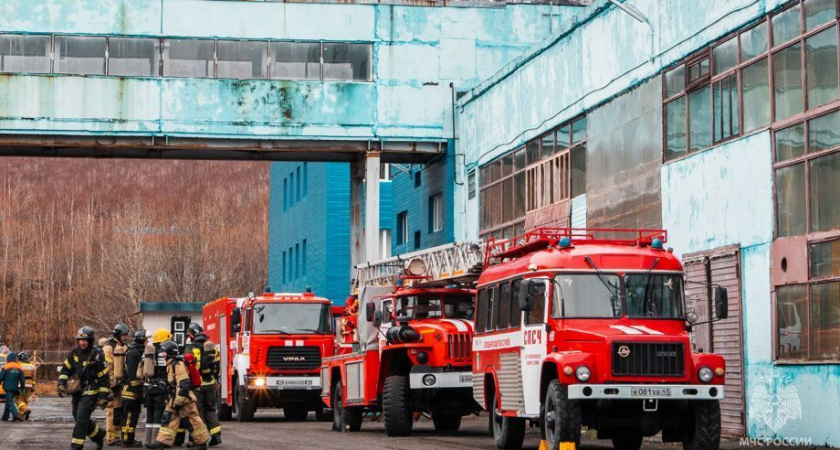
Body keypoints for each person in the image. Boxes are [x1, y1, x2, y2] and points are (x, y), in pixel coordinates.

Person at [150, 340, 209, 450]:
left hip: (184, 399)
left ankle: (202, 444)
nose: (162, 354)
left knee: (192, 421)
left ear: (169, 352)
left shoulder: (178, 365)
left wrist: (179, 401)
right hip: (174, 398)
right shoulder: (170, 364)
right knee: (168, 419)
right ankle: (163, 442)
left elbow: (184, 384)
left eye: (164, 352)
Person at [58, 326, 109, 450]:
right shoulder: (75, 353)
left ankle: (76, 446)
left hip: (91, 393)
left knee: (81, 418)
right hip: (78, 392)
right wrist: (61, 384)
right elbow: (66, 370)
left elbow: (104, 378)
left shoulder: (97, 355)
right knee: (78, 417)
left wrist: (103, 397)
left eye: (85, 340)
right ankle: (98, 435)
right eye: (80, 340)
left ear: (91, 340)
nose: (82, 342)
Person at [185, 325, 222, 447]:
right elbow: (217, 366)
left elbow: (189, 368)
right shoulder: (212, 348)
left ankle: (197, 440)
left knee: (197, 413)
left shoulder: (192, 348)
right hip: (211, 384)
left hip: (198, 385)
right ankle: (216, 436)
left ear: (191, 335)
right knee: (211, 409)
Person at [103, 323, 130, 446]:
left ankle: (116, 436)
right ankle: (111, 438)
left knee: (119, 410)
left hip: (122, 383)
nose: (125, 337)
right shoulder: (109, 348)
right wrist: (112, 383)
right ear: (117, 335)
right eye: (123, 335)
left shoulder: (123, 346)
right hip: (113, 385)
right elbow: (108, 367)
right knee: (111, 411)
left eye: (126, 335)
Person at [144, 328, 172, 447]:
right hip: (159, 388)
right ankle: (156, 441)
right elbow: (164, 371)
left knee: (149, 414)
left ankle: (148, 441)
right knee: (158, 415)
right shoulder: (163, 353)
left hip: (148, 387)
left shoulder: (148, 351)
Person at [120, 331, 146, 447]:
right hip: (130, 390)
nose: (147, 342)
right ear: (141, 340)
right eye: (145, 340)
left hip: (132, 389)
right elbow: (132, 374)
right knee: (130, 416)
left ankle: (130, 439)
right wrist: (138, 391)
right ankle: (127, 440)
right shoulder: (133, 353)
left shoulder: (135, 351)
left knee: (133, 416)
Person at [0, 352, 26, 421]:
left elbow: (0, 377)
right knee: (9, 401)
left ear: (8, 358)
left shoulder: (6, 367)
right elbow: (22, 380)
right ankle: (5, 417)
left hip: (7, 388)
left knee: (10, 402)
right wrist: (23, 388)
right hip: (15, 388)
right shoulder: (19, 367)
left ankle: (16, 415)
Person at [15, 351, 36, 421]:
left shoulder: (18, 365)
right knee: (25, 401)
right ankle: (21, 416)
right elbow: (34, 378)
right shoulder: (32, 366)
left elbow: (16, 376)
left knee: (18, 400)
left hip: (20, 385)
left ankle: (26, 410)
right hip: (29, 386)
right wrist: (33, 387)